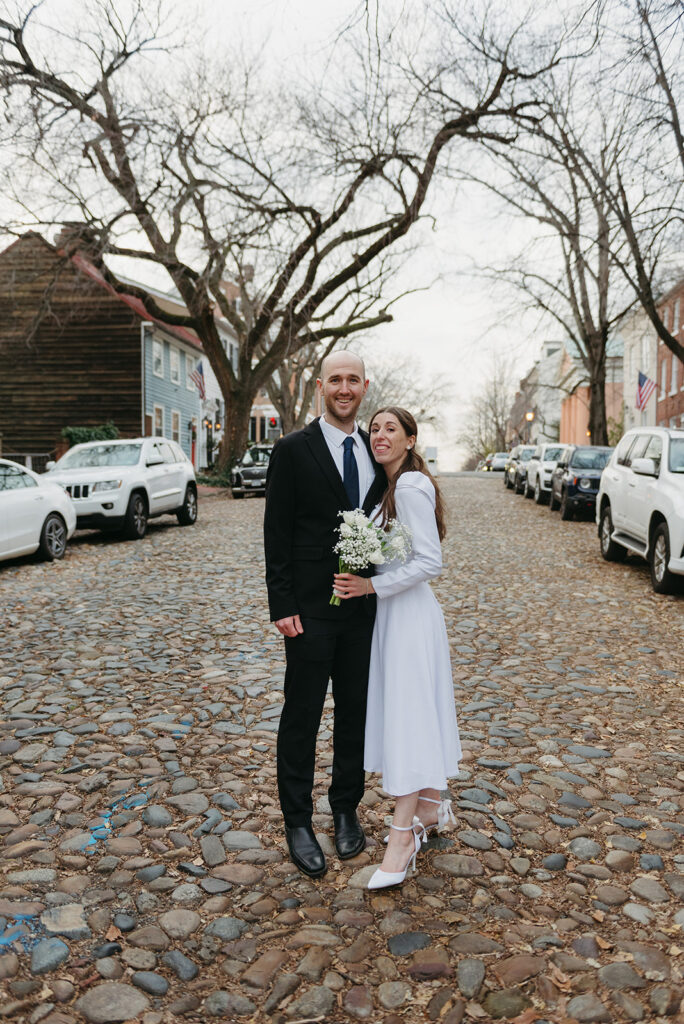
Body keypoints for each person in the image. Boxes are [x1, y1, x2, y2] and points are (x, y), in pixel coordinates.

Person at [263, 351, 387, 877]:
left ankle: (344, 809)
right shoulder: (293, 449)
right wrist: (283, 604)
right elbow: (277, 531)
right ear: (320, 386)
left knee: (355, 711)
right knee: (303, 714)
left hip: (362, 608)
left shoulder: (376, 450)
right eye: (335, 379)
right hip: (310, 610)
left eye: (352, 380)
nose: (344, 388)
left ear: (364, 386)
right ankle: (297, 819)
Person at [333, 406, 461, 889]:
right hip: (397, 616)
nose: (379, 435)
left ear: (410, 440)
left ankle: (402, 836)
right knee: (414, 712)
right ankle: (430, 806)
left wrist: (370, 587)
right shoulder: (392, 487)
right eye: (374, 429)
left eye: (391, 429)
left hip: (407, 616)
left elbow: (430, 561)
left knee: (408, 718)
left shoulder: (408, 486)